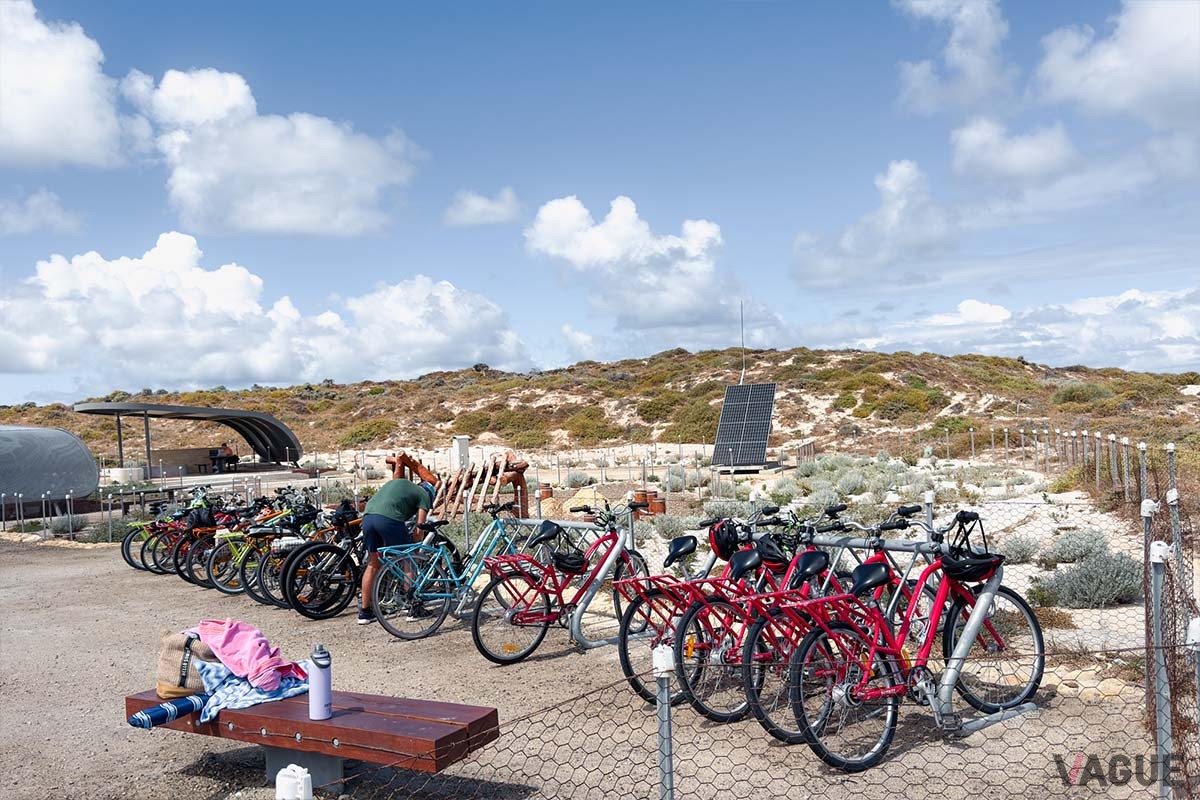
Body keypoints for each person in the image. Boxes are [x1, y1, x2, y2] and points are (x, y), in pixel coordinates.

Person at [356, 478, 436, 625]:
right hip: (389, 519)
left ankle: (364, 613)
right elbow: (420, 529)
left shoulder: (402, 484)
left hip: (367, 517)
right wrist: (416, 550)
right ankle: (415, 609)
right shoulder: (424, 495)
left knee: (372, 564)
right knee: (409, 561)